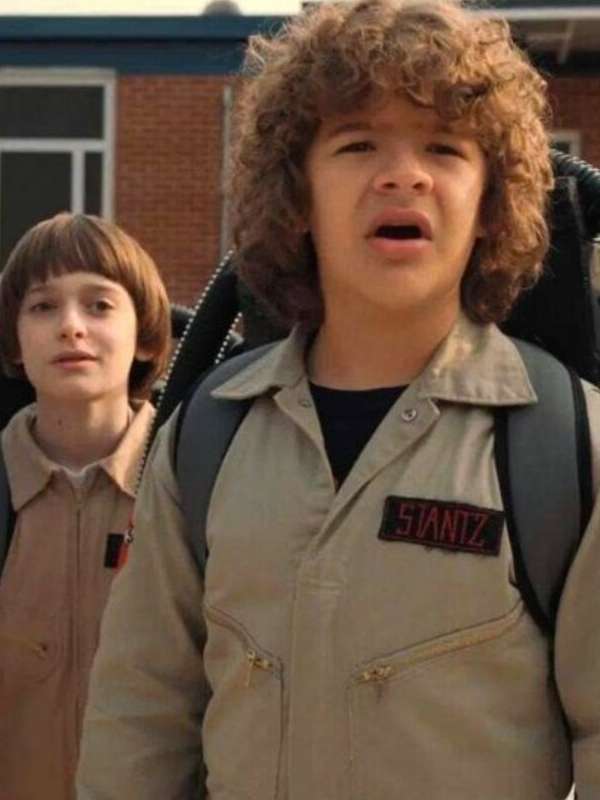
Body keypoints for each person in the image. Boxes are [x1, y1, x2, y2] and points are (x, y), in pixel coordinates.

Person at [77, 1, 600, 797]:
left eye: (444, 147)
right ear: (297, 196)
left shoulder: (567, 448)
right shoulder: (207, 438)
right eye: (358, 145)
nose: (403, 174)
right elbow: (138, 722)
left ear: (491, 203)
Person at [0, 212, 170, 800]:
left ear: (146, 334)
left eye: (99, 305)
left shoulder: (199, 486)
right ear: (14, 341)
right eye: (43, 307)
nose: (71, 327)